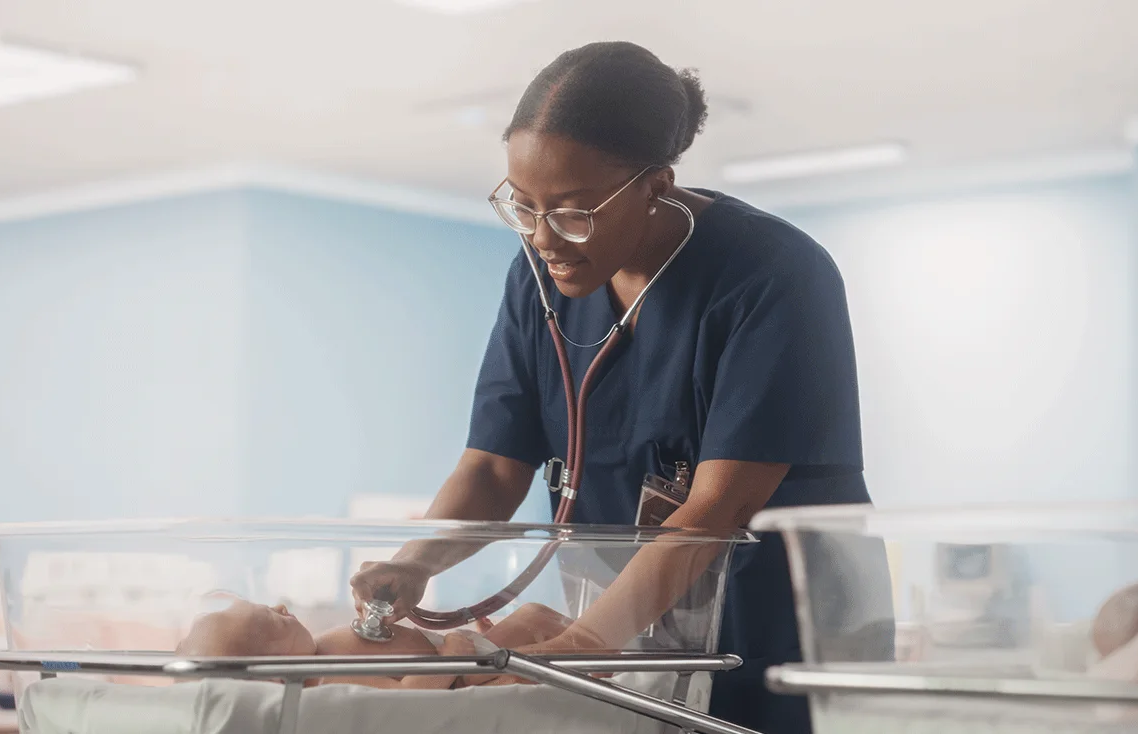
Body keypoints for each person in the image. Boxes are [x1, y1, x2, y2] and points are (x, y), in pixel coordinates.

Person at [350, 40, 872, 734]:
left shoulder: (773, 275)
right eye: (522, 205)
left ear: (655, 184)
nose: (544, 237)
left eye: (572, 211)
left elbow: (716, 510)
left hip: (773, 621)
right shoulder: (538, 272)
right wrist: (414, 563)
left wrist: (587, 646)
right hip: (622, 623)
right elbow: (493, 465)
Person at [174, 598, 576, 690]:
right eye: (269, 617)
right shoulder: (326, 681)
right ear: (274, 671)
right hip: (467, 679)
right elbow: (407, 699)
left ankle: (611, 650)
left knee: (534, 619)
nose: (280, 604)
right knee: (536, 624)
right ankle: (616, 659)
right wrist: (454, 650)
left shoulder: (319, 651)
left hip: (468, 657)